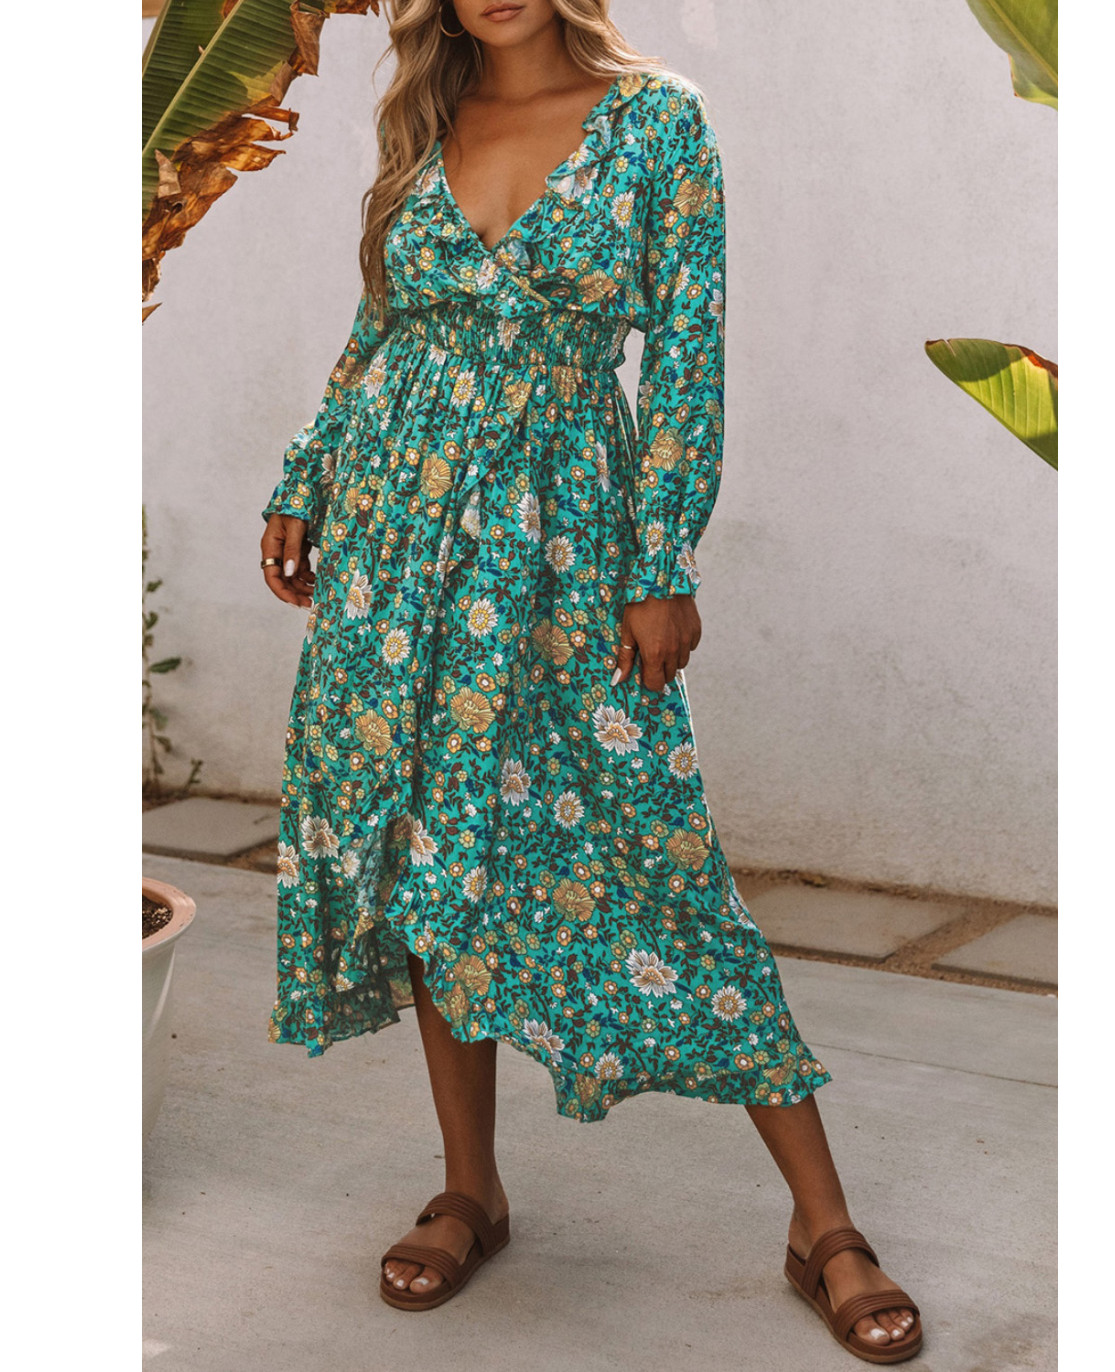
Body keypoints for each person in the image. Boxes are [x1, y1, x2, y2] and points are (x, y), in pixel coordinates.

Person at [259, 1, 920, 1361]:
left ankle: (824, 1224)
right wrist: (306, 472)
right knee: (431, 843)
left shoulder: (655, 122)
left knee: (654, 850)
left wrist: (660, 560)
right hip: (394, 533)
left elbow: (686, 353)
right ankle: (471, 1189)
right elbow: (381, 326)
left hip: (564, 533)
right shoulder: (428, 114)